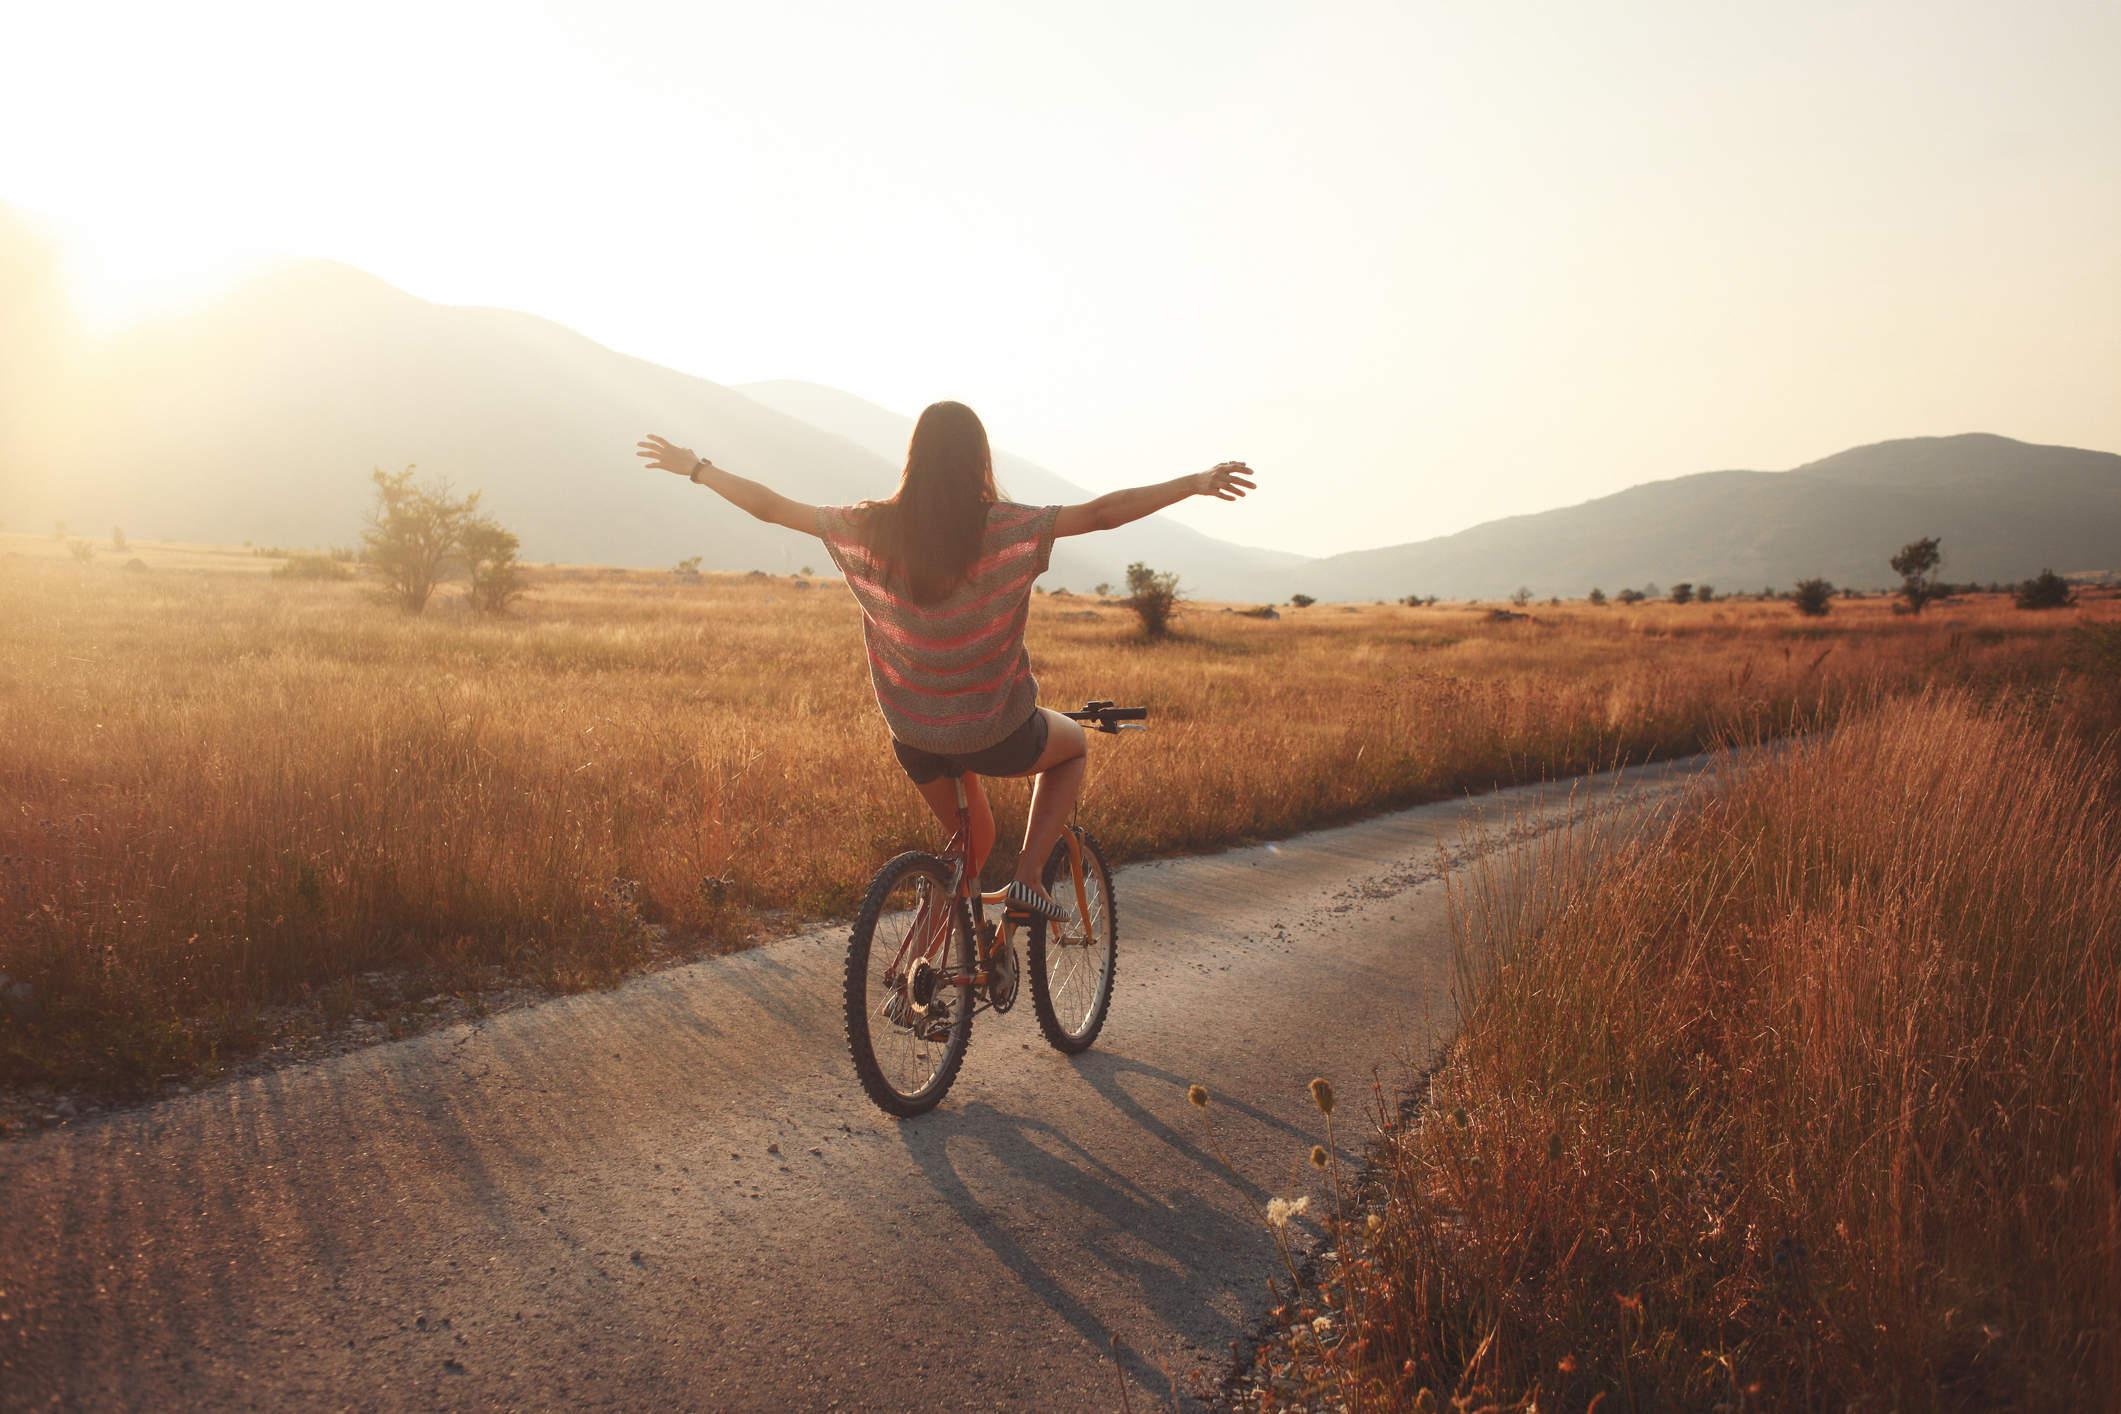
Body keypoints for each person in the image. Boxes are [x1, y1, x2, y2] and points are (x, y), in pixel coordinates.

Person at [637, 401, 1253, 917]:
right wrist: (1193, 483)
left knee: (969, 844)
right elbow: (1100, 514)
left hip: (913, 733)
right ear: (978, 460)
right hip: (996, 732)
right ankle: (1031, 880)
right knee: (1074, 747)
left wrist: (697, 469)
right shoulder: (1007, 527)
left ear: (915, 458)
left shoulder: (870, 527)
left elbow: (771, 507)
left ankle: (925, 972)